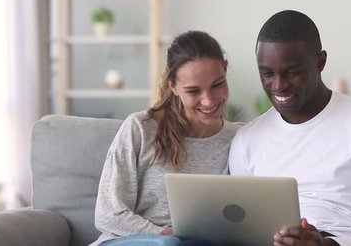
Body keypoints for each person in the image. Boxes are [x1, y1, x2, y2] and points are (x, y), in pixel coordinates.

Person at [228, 10, 351, 246]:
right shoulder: (246, 140)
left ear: (320, 62)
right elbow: (243, 232)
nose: (278, 86)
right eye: (267, 74)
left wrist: (324, 245)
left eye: (292, 72)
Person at [90, 30, 242, 246]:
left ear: (225, 70)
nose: (208, 101)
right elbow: (107, 215)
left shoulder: (239, 139)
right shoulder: (141, 129)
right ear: (173, 86)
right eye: (193, 91)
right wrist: (164, 235)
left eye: (217, 85)